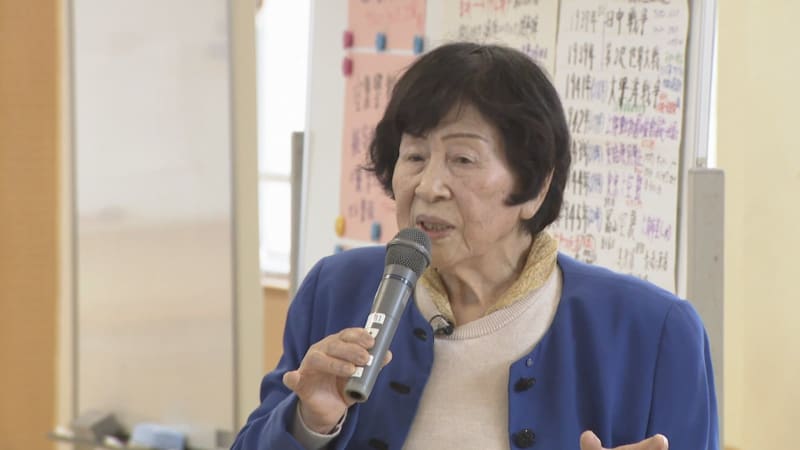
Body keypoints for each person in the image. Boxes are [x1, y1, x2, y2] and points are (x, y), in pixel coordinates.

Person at [231, 42, 719, 450]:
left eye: (462, 159)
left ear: (535, 187)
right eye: (414, 156)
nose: (428, 186)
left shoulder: (653, 332)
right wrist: (308, 425)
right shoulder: (337, 289)